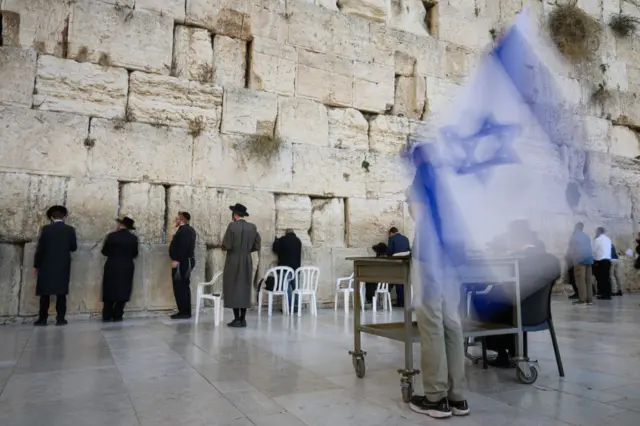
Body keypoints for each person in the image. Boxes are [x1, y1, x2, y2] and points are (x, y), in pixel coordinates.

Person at [472, 222, 561, 368]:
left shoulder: (518, 260)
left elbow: (507, 288)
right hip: (540, 314)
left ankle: (501, 351)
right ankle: (512, 351)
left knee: (486, 302)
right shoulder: (548, 258)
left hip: (520, 314)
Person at [33, 205, 78, 326]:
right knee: (61, 292)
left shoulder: (46, 229)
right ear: (64, 217)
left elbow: (40, 249)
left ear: (51, 217)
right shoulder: (70, 230)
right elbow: (74, 248)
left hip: (46, 264)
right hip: (63, 264)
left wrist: (36, 265)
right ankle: (60, 319)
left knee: (45, 293)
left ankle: (42, 319)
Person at [221, 203, 261, 327]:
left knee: (233, 288)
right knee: (244, 288)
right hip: (247, 260)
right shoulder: (253, 227)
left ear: (235, 214)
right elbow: (257, 244)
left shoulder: (232, 226)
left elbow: (227, 245)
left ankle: (236, 318)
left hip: (233, 260)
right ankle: (243, 319)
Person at [101, 216, 139, 322]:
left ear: (121, 225)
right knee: (124, 289)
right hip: (127, 266)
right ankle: (118, 315)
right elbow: (135, 254)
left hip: (112, 265)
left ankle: (106, 315)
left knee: (109, 289)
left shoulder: (111, 236)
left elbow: (104, 252)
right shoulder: (133, 238)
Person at [169, 211, 197, 319]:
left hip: (182, 263)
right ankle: (185, 311)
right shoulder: (188, 230)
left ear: (181, 220)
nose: (175, 221)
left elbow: (183, 248)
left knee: (180, 287)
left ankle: (184, 312)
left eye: (177, 219)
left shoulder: (184, 231)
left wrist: (176, 260)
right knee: (183, 286)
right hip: (185, 262)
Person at [272, 228, 302, 312]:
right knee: (296, 288)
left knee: (286, 288)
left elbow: (275, 250)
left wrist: (276, 241)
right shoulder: (298, 241)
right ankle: (296, 307)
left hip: (285, 269)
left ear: (286, 233)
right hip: (296, 269)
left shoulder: (282, 240)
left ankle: (289, 307)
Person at [567, 222, 594, 306]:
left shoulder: (574, 236)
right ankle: (589, 300)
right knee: (588, 280)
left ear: (576, 227)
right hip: (589, 260)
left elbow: (572, 249)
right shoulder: (587, 236)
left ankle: (582, 300)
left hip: (580, 260)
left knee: (580, 281)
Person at [386, 227, 411, 307]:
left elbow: (389, 251)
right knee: (404, 282)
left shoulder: (392, 239)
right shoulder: (406, 239)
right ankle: (405, 301)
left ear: (391, 233)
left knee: (397, 282)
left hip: (395, 263)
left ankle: (400, 301)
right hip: (405, 263)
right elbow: (408, 250)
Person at [593, 226, 612, 300]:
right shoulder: (608, 239)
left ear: (599, 232)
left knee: (601, 279)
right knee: (607, 278)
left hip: (600, 261)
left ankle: (603, 294)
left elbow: (593, 250)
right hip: (608, 260)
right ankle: (608, 294)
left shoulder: (598, 239)